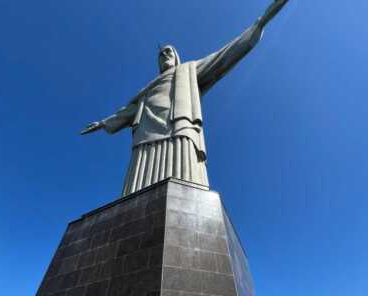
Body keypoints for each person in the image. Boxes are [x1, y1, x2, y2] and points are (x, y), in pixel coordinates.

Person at [81, 0, 290, 197]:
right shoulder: (145, 92)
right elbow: (127, 112)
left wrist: (260, 22)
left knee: (185, 175)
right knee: (139, 181)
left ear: (176, 56)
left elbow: (224, 56)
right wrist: (103, 123)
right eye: (161, 54)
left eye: (168, 51)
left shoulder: (189, 70)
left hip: (179, 124)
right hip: (146, 133)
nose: (164, 55)